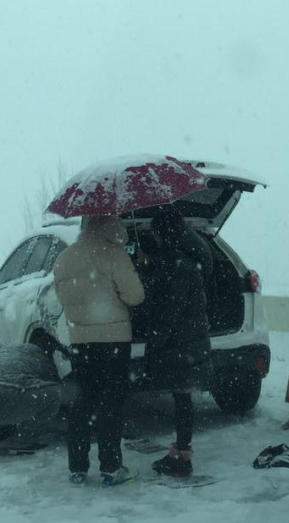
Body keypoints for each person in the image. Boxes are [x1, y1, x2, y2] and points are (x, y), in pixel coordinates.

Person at [54, 214, 145, 485]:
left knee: (81, 402)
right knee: (110, 403)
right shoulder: (114, 255)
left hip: (81, 341)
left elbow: (62, 295)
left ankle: (78, 467)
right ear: (110, 226)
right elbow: (135, 296)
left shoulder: (65, 257)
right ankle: (110, 467)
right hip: (113, 340)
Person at [141, 207, 213, 477]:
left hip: (180, 343)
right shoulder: (187, 258)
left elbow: (170, 310)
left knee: (182, 399)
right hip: (190, 340)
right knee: (183, 398)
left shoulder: (178, 265)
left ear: (164, 232)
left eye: (156, 232)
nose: (155, 238)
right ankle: (181, 452)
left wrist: (155, 342)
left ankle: (183, 458)